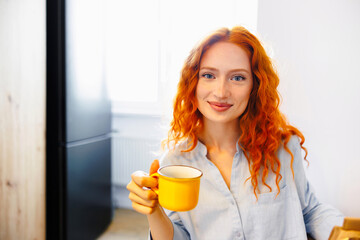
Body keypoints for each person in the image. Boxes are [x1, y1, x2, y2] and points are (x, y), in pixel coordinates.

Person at [126, 26, 344, 240]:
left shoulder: (283, 147)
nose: (221, 92)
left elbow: (310, 212)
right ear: (193, 83)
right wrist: (154, 211)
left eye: (237, 78)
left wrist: (346, 231)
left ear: (255, 86)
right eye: (209, 75)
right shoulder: (175, 161)